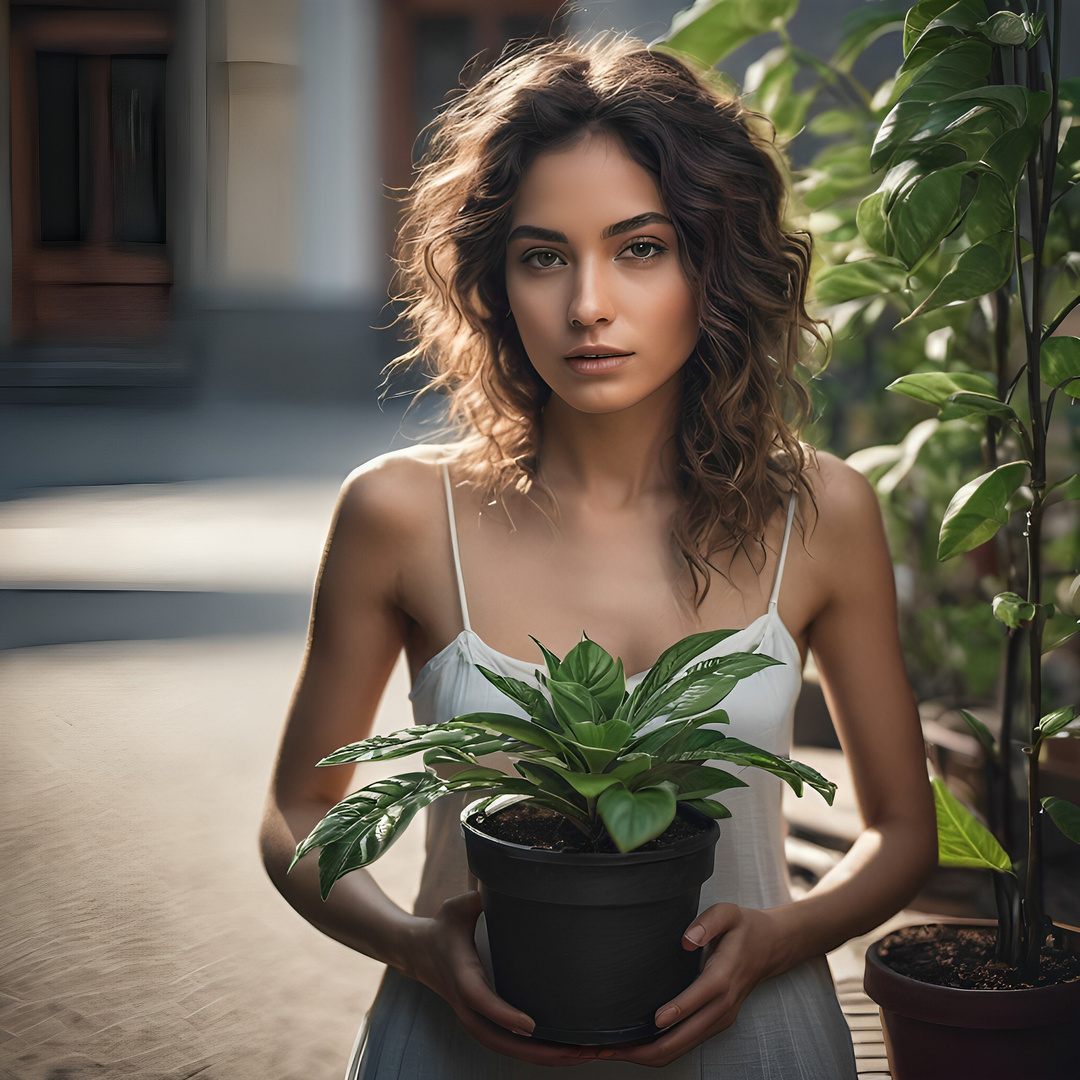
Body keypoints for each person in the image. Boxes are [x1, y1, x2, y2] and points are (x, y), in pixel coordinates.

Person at [259, 34, 936, 1078]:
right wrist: (412, 944)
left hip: (755, 1045)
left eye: (639, 248)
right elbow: (298, 810)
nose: (586, 306)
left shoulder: (818, 510)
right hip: (460, 1046)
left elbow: (902, 831)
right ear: (494, 281)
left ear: (713, 262)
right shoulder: (399, 512)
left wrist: (782, 937)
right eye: (543, 256)